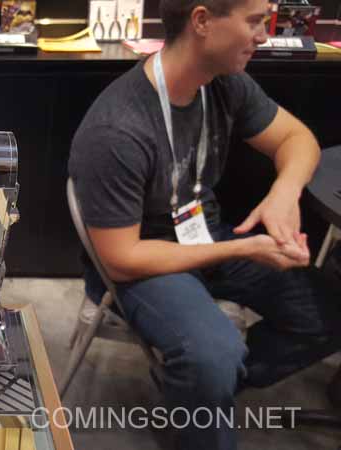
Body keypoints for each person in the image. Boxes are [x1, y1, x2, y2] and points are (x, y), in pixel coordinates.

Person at [67, 0, 341, 447]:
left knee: (328, 312)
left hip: (203, 235)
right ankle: (198, 392)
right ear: (202, 21)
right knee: (211, 355)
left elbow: (297, 139)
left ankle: (189, 395)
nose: (264, 36)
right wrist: (244, 248)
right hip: (145, 260)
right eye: (254, 21)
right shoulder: (117, 129)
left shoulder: (225, 84)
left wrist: (284, 193)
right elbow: (121, 259)